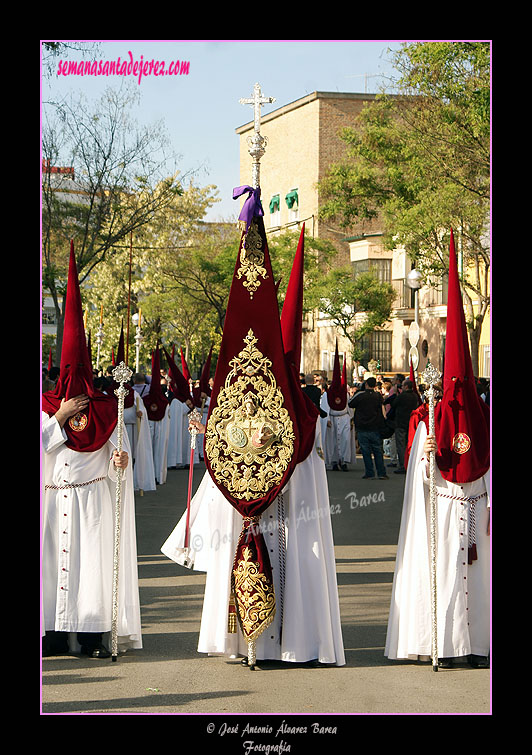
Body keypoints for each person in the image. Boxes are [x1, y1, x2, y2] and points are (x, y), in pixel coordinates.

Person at [161, 220, 345, 668]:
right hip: (248, 507)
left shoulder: (303, 407)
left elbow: (303, 457)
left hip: (286, 514)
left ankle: (285, 640)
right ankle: (251, 639)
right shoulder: (255, 395)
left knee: (291, 557)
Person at [385, 229, 490, 669]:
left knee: (476, 579)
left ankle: (477, 644)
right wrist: (425, 454)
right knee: (442, 575)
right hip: (444, 511)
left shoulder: (481, 423)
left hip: (474, 511)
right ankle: (441, 644)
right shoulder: (432, 417)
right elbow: (420, 480)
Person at [41, 241, 142, 658]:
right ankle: (49, 634)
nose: (72, 378)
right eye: (66, 371)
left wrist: (122, 462)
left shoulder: (107, 409)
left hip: (93, 501)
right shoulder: (48, 407)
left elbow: (120, 456)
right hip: (52, 499)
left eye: (77, 369)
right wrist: (61, 416)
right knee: (50, 569)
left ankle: (90, 636)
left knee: (91, 571)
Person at [348, 377, 388, 480]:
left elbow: (350, 403)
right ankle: (381, 472)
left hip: (362, 425)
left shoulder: (360, 395)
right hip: (375, 425)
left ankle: (370, 472)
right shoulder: (378, 396)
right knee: (377, 451)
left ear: (366, 385)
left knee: (365, 451)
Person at [326, 342, 353, 471]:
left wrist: (350, 418)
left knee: (345, 441)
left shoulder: (345, 394)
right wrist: (328, 419)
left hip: (343, 418)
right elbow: (326, 407)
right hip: (333, 418)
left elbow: (349, 406)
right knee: (333, 442)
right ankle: (334, 461)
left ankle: (344, 461)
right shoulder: (328, 394)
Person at [387, 378, 421, 474]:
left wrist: (396, 394)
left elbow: (393, 404)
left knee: (401, 445)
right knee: (409, 444)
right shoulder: (414, 396)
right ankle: (409, 463)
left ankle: (403, 465)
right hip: (410, 422)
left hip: (401, 422)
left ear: (406, 387)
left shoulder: (402, 396)